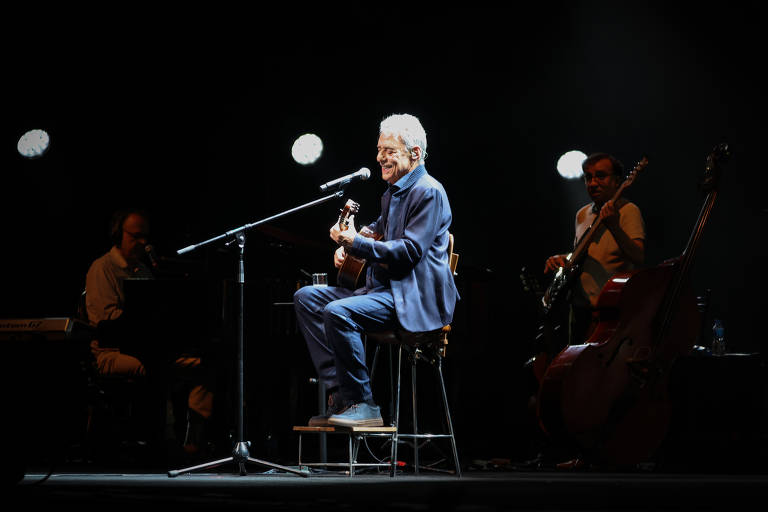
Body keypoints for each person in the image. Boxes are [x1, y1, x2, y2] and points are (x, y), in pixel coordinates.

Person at [293, 113, 459, 427]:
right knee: (306, 298)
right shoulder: (393, 192)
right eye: (380, 149)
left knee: (338, 312)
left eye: (389, 151)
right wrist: (348, 242)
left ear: (415, 154)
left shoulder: (428, 191)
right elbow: (376, 230)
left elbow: (409, 252)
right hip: (381, 293)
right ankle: (342, 394)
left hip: (411, 298)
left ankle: (363, 404)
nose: (380, 157)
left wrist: (356, 243)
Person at [84, 208, 214, 454]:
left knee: (204, 366)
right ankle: (161, 440)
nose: (142, 243)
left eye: (145, 236)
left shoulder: (144, 271)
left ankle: (193, 444)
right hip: (110, 353)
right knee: (156, 367)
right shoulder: (102, 268)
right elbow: (104, 322)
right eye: (135, 236)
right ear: (118, 234)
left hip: (149, 349)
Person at [544, 152, 646, 346]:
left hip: (610, 312)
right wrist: (564, 257)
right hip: (579, 310)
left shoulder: (629, 211)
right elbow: (586, 254)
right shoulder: (582, 214)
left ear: (617, 181)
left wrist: (614, 226)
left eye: (600, 176)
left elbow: (638, 256)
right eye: (588, 177)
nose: (592, 183)